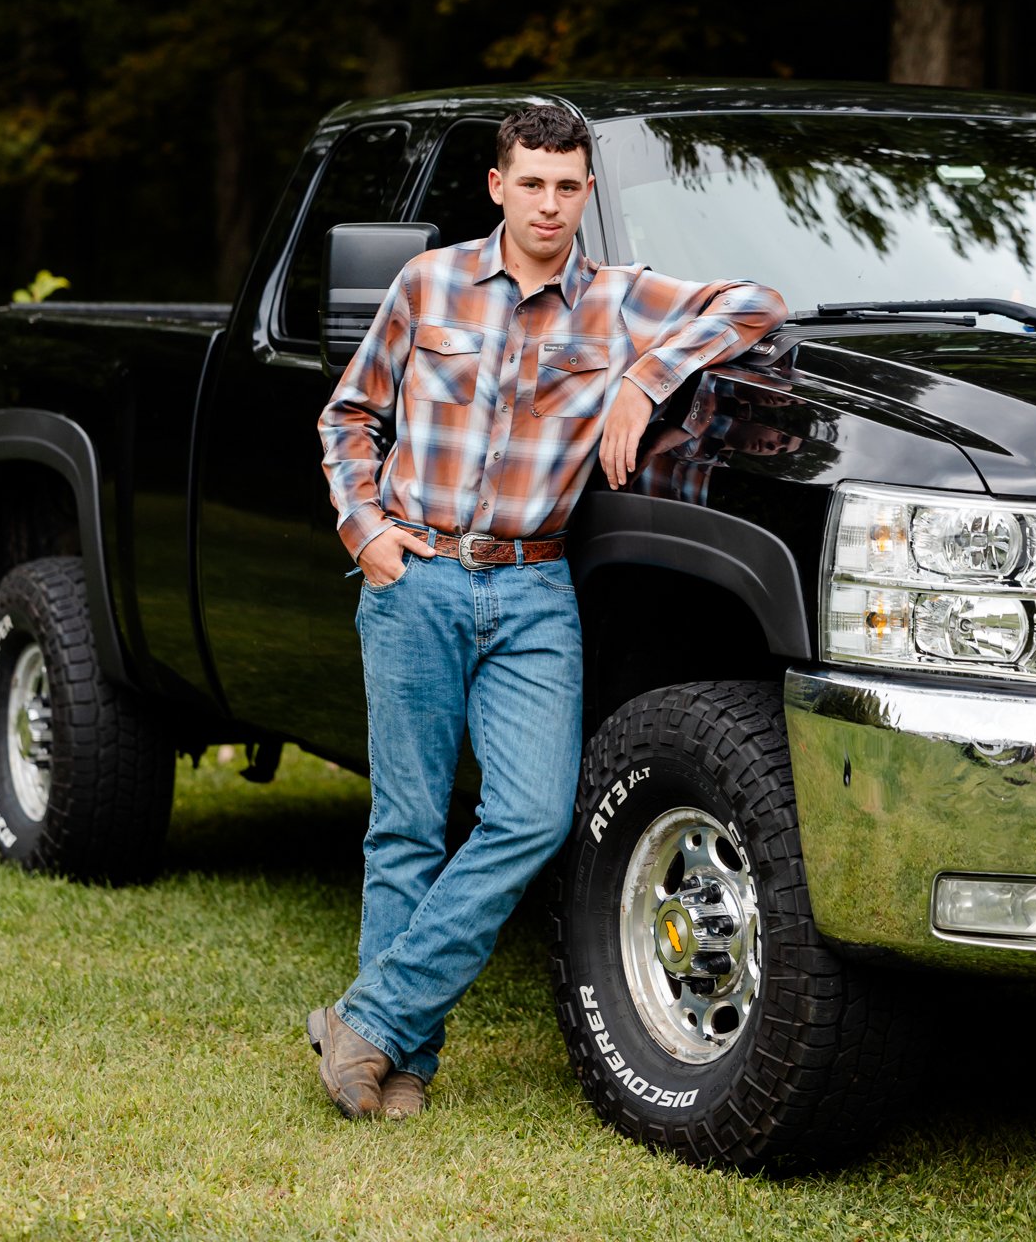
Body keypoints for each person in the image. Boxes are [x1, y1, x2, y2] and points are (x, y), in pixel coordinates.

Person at [311, 104, 787, 1120]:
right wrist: (367, 535)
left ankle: (367, 1016)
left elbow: (754, 300)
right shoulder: (427, 283)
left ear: (585, 194)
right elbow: (350, 412)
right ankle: (399, 1066)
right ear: (497, 186)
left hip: (531, 589)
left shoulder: (616, 304)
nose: (548, 203)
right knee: (405, 827)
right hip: (416, 574)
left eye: (567, 186)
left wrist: (644, 378)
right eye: (530, 182)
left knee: (530, 816)